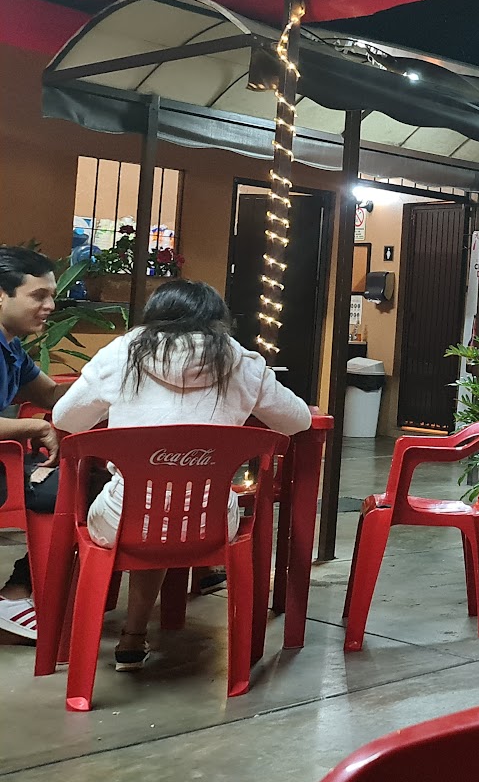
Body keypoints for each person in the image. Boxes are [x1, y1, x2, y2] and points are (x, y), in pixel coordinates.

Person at [51, 280, 312, 671]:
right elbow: (298, 421)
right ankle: (153, 625)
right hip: (211, 523)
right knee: (183, 503)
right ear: (218, 319)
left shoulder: (122, 353)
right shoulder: (242, 362)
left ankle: (130, 634)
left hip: (121, 521)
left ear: (154, 315)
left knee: (149, 505)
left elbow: (66, 419)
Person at [0, 248, 73, 640]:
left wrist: (109, 387)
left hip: (5, 465)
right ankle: (15, 597)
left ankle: (22, 591)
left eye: (52, 296)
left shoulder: (10, 347)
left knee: (90, 479)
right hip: (3, 472)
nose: (50, 306)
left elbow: (50, 395)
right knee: (78, 489)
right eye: (39, 295)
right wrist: (33, 428)